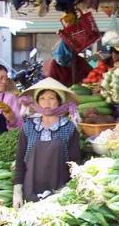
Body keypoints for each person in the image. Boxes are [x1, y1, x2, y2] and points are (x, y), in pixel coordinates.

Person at [12, 78, 81, 207]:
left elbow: (75, 163)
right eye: (42, 98)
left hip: (60, 194)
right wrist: (17, 192)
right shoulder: (28, 127)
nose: (47, 102)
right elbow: (20, 161)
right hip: (30, 192)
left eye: (52, 98)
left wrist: (72, 190)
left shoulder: (69, 128)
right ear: (37, 102)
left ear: (59, 101)